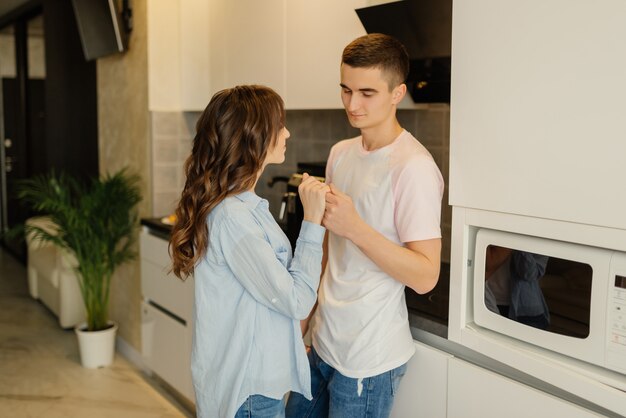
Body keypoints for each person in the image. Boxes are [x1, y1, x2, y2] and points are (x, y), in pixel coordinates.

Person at [286, 34, 445, 418]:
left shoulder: (414, 167)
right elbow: (326, 252)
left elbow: (425, 275)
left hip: (368, 360)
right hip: (322, 341)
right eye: (346, 90)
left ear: (397, 93)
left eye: (367, 93)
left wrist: (355, 227)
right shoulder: (340, 154)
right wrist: (302, 324)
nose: (352, 105)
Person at [169, 85, 329, 418]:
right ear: (254, 137)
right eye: (280, 124)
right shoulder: (234, 218)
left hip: (247, 386)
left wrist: (287, 340)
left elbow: (258, 302)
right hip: (250, 393)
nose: (288, 132)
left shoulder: (239, 207)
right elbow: (297, 300)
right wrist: (313, 222)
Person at [484, 246, 550, 330]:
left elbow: (529, 275)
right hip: (487, 301)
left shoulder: (541, 241)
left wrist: (520, 244)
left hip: (523, 309)